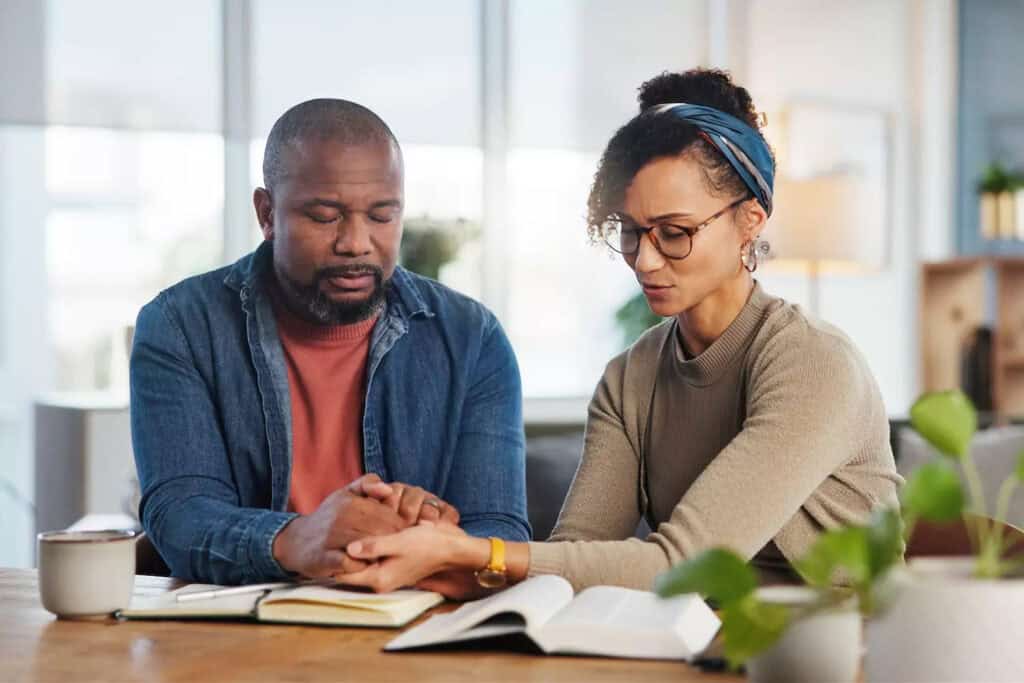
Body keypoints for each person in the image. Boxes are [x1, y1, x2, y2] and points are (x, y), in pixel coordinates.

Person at [333, 69, 903, 598]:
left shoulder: (811, 363)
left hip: (844, 651)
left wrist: (477, 551)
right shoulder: (630, 377)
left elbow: (681, 564)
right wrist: (445, 556)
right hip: (698, 643)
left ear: (750, 220)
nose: (645, 262)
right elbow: (572, 557)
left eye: (675, 233)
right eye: (630, 232)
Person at [130, 99, 530, 585]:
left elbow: (499, 533)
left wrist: (429, 539)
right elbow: (181, 515)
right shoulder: (180, 327)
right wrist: (301, 537)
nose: (356, 243)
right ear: (267, 212)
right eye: (325, 216)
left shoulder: (472, 340)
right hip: (235, 634)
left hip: (412, 630)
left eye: (382, 216)